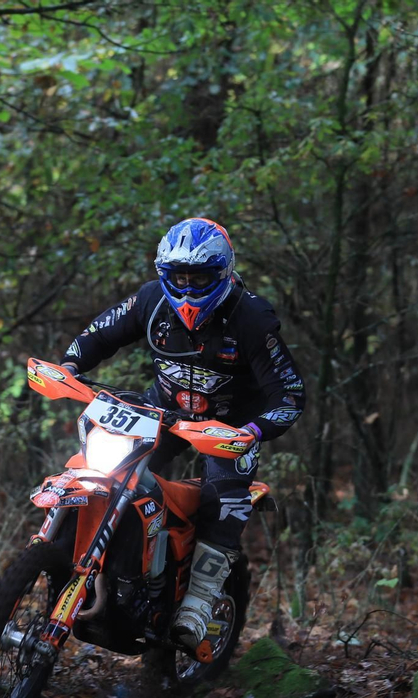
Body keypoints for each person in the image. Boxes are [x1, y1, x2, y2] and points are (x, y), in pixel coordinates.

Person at [59, 217, 304, 649]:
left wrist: (252, 431)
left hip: (228, 425)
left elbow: (289, 393)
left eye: (200, 278)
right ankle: (95, 567)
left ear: (222, 273)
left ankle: (197, 604)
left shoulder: (251, 317)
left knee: (222, 499)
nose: (188, 290)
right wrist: (69, 366)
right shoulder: (151, 300)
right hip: (165, 410)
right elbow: (100, 333)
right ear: (164, 275)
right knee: (105, 469)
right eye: (179, 278)